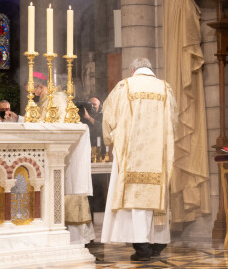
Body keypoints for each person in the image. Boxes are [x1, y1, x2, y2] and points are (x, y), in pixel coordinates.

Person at [101, 57, 178, 261]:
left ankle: (141, 246)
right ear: (150, 69)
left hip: (130, 153)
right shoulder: (165, 88)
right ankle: (158, 244)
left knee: (136, 200)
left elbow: (108, 117)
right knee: (156, 197)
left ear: (133, 69)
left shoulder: (124, 86)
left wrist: (109, 138)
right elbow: (174, 121)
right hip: (158, 154)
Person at [31, 71, 95, 245]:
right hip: (57, 158)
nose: (30, 90)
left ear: (41, 86)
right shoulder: (46, 100)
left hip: (66, 156)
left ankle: (76, 238)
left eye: (32, 87)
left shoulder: (56, 98)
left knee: (70, 190)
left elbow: (59, 127)